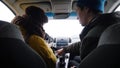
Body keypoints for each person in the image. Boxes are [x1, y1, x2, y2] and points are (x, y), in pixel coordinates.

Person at [57, 0, 120, 67]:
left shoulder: (92, 36)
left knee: (71, 62)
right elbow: (83, 44)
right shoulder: (108, 25)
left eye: (77, 11)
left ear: (86, 9)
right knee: (74, 58)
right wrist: (65, 49)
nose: (77, 17)